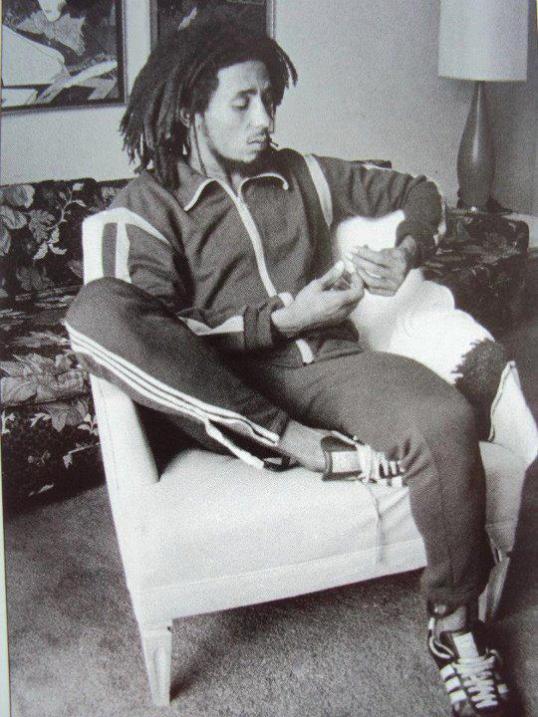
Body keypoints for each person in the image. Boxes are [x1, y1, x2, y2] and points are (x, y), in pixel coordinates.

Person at [66, 11, 534, 716]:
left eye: (270, 99)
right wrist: (284, 319)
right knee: (98, 306)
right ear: (191, 109)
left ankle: (455, 625)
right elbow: (159, 331)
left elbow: (419, 191)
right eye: (243, 103)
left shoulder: (298, 173)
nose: (265, 120)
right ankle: (297, 445)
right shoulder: (146, 207)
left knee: (442, 418)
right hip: (228, 391)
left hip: (332, 367)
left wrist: (405, 251)